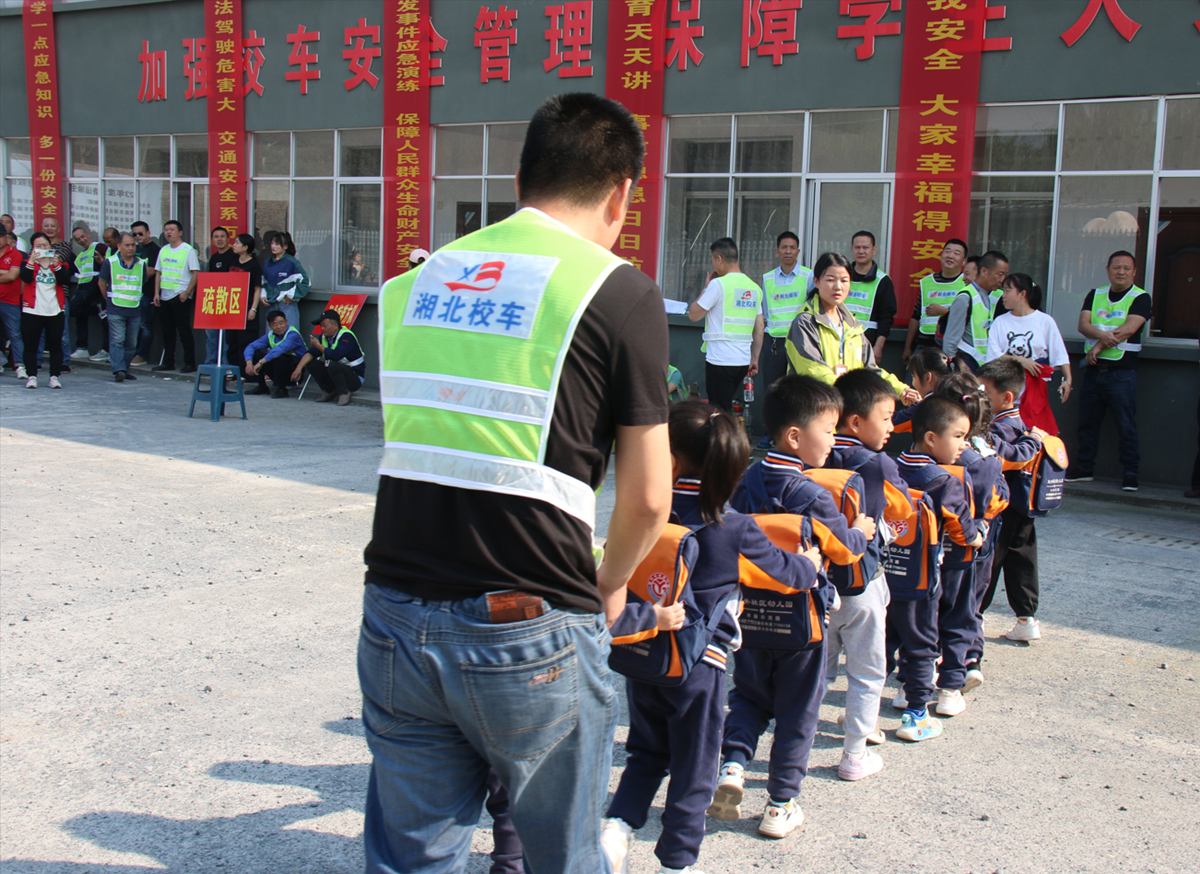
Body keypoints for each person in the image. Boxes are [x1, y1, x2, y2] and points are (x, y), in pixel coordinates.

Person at [359, 92, 672, 874]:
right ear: (620, 192)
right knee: (558, 857)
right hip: (531, 623)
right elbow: (648, 499)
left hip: (395, 611)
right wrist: (610, 581)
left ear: (520, 176)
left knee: (412, 857)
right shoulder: (619, 291)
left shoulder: (414, 284)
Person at [603, 401, 819, 869]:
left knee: (645, 750)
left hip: (645, 655)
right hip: (702, 667)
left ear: (670, 457)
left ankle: (617, 829)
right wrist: (813, 563)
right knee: (696, 766)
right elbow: (789, 574)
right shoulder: (734, 526)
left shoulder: (642, 514)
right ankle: (678, 859)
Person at [714, 376, 864, 834]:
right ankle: (780, 803)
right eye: (830, 429)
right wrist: (867, 533)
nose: (835, 440)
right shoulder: (812, 493)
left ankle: (733, 766)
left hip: (751, 614)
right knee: (799, 710)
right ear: (795, 436)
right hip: (803, 621)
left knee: (749, 695)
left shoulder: (746, 480)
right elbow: (842, 549)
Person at [826, 369, 913, 779]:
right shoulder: (877, 463)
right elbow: (902, 512)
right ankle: (854, 755)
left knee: (817, 672)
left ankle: (795, 736)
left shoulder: (815, 456)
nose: (892, 427)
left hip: (818, 585)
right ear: (856, 421)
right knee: (866, 671)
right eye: (887, 417)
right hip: (863, 580)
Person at [893, 397, 982, 741]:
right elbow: (961, 525)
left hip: (890, 571)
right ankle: (930, 704)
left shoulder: (891, 467)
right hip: (928, 572)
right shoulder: (944, 480)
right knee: (932, 634)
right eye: (958, 436)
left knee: (889, 638)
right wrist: (975, 539)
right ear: (932, 438)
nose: (964, 445)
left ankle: (880, 706)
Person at [930, 370, 1006, 694]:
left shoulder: (938, 451)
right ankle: (968, 660)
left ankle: (931, 663)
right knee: (969, 604)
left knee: (937, 602)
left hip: (943, 542)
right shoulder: (986, 449)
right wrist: (984, 522)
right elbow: (1001, 496)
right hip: (979, 540)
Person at [977, 356, 1049, 643]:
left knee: (989, 560)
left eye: (984, 393)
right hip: (1025, 501)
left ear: (1006, 397)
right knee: (1022, 558)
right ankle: (1026, 617)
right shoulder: (1024, 422)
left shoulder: (996, 429)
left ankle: (975, 613)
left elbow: (1003, 457)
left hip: (1001, 502)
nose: (979, 398)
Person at [1066, 250, 1151, 492]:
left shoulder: (1141, 297)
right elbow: (1083, 324)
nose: (1121, 272)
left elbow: (1130, 328)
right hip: (1094, 372)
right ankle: (1084, 469)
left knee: (1126, 425)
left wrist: (1100, 344)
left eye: (1126, 268)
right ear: (1108, 270)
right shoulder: (1096, 294)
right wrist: (1101, 335)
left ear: (1134, 271)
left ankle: (1131, 473)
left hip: (1121, 373)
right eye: (1116, 267)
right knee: (1087, 423)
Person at [786, 252, 916, 403]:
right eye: (830, 280)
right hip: (815, 412)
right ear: (816, 281)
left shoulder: (852, 325)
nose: (838, 287)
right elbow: (814, 372)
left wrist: (901, 390)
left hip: (847, 412)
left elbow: (870, 370)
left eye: (844, 280)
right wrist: (851, 393)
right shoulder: (805, 323)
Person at [986, 273, 1072, 433]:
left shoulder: (1045, 321)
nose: (1003, 296)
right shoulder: (1000, 322)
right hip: (1004, 387)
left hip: (1034, 387)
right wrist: (1021, 361)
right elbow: (992, 357)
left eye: (1007, 291)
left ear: (1022, 294)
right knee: (1002, 431)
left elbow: (1059, 353)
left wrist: (1068, 379)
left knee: (1034, 432)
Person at [688, 237, 764, 412]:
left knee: (718, 411)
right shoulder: (754, 288)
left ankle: (724, 439)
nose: (713, 266)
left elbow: (694, 315)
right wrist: (754, 358)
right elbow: (759, 327)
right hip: (743, 361)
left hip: (719, 360)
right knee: (726, 407)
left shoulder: (717, 285)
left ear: (719, 259)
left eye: (713, 260)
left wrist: (706, 288)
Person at [757, 231, 811, 436]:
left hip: (800, 342)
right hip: (774, 343)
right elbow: (765, 314)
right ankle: (772, 435)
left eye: (792, 248)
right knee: (772, 390)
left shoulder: (809, 276)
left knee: (798, 390)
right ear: (777, 251)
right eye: (784, 247)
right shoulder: (768, 278)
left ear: (798, 251)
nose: (788, 251)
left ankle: (798, 433)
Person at [18, 231, 72, 389]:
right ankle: (32, 376)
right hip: (32, 310)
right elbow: (26, 278)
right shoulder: (27, 263)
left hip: (54, 310)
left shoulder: (59, 264)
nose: (42, 248)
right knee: (31, 345)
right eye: (38, 246)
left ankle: (54, 376)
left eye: (45, 245)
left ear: (51, 246)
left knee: (55, 344)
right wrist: (32, 260)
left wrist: (55, 264)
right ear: (32, 248)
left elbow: (64, 280)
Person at [902, 239, 968, 366]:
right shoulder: (927, 282)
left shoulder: (966, 283)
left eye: (957, 253)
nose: (950, 256)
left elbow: (969, 318)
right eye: (947, 251)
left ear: (964, 261)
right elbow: (916, 316)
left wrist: (943, 312)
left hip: (950, 349)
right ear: (941, 255)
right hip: (924, 346)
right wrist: (908, 346)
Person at [942, 250, 1008, 372]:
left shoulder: (990, 296)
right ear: (984, 271)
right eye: (1000, 274)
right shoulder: (965, 298)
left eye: (1005, 275)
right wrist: (951, 371)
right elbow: (951, 340)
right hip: (966, 365)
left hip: (981, 366)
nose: (1002, 279)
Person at [98, 232, 151, 384]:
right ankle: (118, 370)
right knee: (117, 339)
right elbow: (102, 283)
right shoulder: (110, 262)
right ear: (119, 246)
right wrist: (108, 299)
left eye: (133, 245)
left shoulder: (141, 264)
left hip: (134, 308)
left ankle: (125, 369)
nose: (131, 248)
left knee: (131, 343)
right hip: (115, 307)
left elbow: (142, 283)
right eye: (127, 245)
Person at [153, 219, 199, 373]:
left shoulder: (188, 251)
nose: (168, 232)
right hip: (164, 295)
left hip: (180, 296)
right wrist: (156, 293)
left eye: (172, 229)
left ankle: (189, 363)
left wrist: (187, 292)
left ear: (180, 232)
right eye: (166, 229)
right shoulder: (163, 250)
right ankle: (168, 362)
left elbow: (195, 274)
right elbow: (158, 273)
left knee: (184, 330)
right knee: (167, 331)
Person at [293, 308, 365, 406]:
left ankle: (344, 392)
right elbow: (311, 353)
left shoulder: (346, 336)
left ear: (335, 325)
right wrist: (299, 368)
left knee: (333, 365)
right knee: (311, 363)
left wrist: (318, 345)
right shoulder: (324, 337)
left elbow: (336, 356)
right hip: (336, 374)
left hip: (354, 378)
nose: (322, 329)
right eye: (321, 326)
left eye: (324, 326)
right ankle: (330, 390)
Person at [847, 230, 897, 363]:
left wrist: (878, 346)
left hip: (867, 344)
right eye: (857, 247)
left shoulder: (883, 281)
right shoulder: (843, 277)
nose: (861, 251)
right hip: (840, 341)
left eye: (865, 247)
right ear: (852, 249)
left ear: (874, 250)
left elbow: (886, 317)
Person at [68, 225, 111, 363]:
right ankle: (82, 347)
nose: (81, 240)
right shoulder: (79, 256)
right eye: (77, 239)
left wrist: (101, 262)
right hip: (82, 288)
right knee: (78, 313)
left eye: (82, 236)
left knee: (73, 309)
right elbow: (80, 275)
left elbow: (109, 265)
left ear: (88, 234)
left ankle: (105, 349)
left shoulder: (100, 247)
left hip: (96, 286)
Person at [242, 309, 305, 398]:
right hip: (278, 370)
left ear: (286, 321)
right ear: (269, 325)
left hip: (295, 372)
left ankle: (282, 389)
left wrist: (259, 364)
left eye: (281, 323)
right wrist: (249, 363)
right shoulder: (271, 335)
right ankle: (262, 387)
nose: (279, 326)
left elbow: (279, 350)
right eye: (274, 324)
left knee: (280, 357)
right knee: (256, 353)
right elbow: (251, 346)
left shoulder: (293, 334)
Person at [226, 233, 264, 370]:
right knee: (231, 340)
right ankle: (232, 370)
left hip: (246, 308)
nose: (234, 245)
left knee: (245, 341)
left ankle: (246, 371)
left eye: (237, 243)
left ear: (245, 247)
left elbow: (257, 289)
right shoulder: (233, 261)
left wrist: (253, 309)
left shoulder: (253, 265)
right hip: (232, 307)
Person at [260, 231, 309, 330]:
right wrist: (263, 295)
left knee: (290, 335)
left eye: (277, 244)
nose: (273, 246)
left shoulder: (291, 262)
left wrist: (291, 295)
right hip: (271, 304)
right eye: (272, 243)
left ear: (285, 246)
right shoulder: (267, 262)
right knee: (271, 336)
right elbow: (263, 281)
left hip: (287, 304)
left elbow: (305, 282)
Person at [203, 226, 238, 367]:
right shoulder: (214, 258)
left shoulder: (234, 256)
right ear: (212, 240)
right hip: (214, 302)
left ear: (228, 239)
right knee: (211, 336)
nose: (219, 239)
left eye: (222, 236)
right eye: (216, 237)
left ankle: (224, 364)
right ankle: (210, 362)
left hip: (229, 302)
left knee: (226, 338)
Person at [129, 220, 160, 367]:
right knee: (132, 324)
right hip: (131, 293)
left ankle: (142, 354)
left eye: (140, 233)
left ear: (148, 233)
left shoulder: (154, 249)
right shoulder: (133, 249)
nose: (137, 236)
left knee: (144, 325)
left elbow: (152, 271)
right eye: (134, 234)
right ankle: (132, 352)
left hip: (147, 293)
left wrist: (132, 277)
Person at [0, 228, 25, 378]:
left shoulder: (15, 254)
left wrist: (7, 273)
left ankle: (20, 365)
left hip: (10, 301)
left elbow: (12, 276)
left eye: (1, 236)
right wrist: (5, 272)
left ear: (6, 238)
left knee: (14, 334)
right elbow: (8, 274)